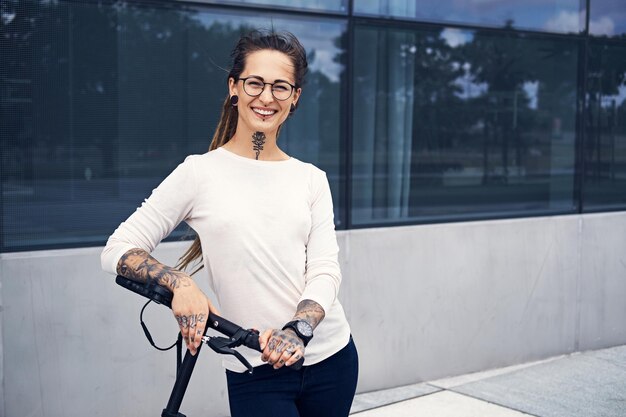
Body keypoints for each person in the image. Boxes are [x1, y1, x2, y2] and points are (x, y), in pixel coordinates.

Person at [101, 29, 358, 417]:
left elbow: (324, 270)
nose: (266, 97)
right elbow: (117, 249)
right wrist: (179, 283)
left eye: (280, 87)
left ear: (296, 97)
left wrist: (296, 331)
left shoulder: (311, 178)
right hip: (253, 366)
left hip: (331, 359)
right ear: (234, 87)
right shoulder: (198, 173)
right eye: (255, 83)